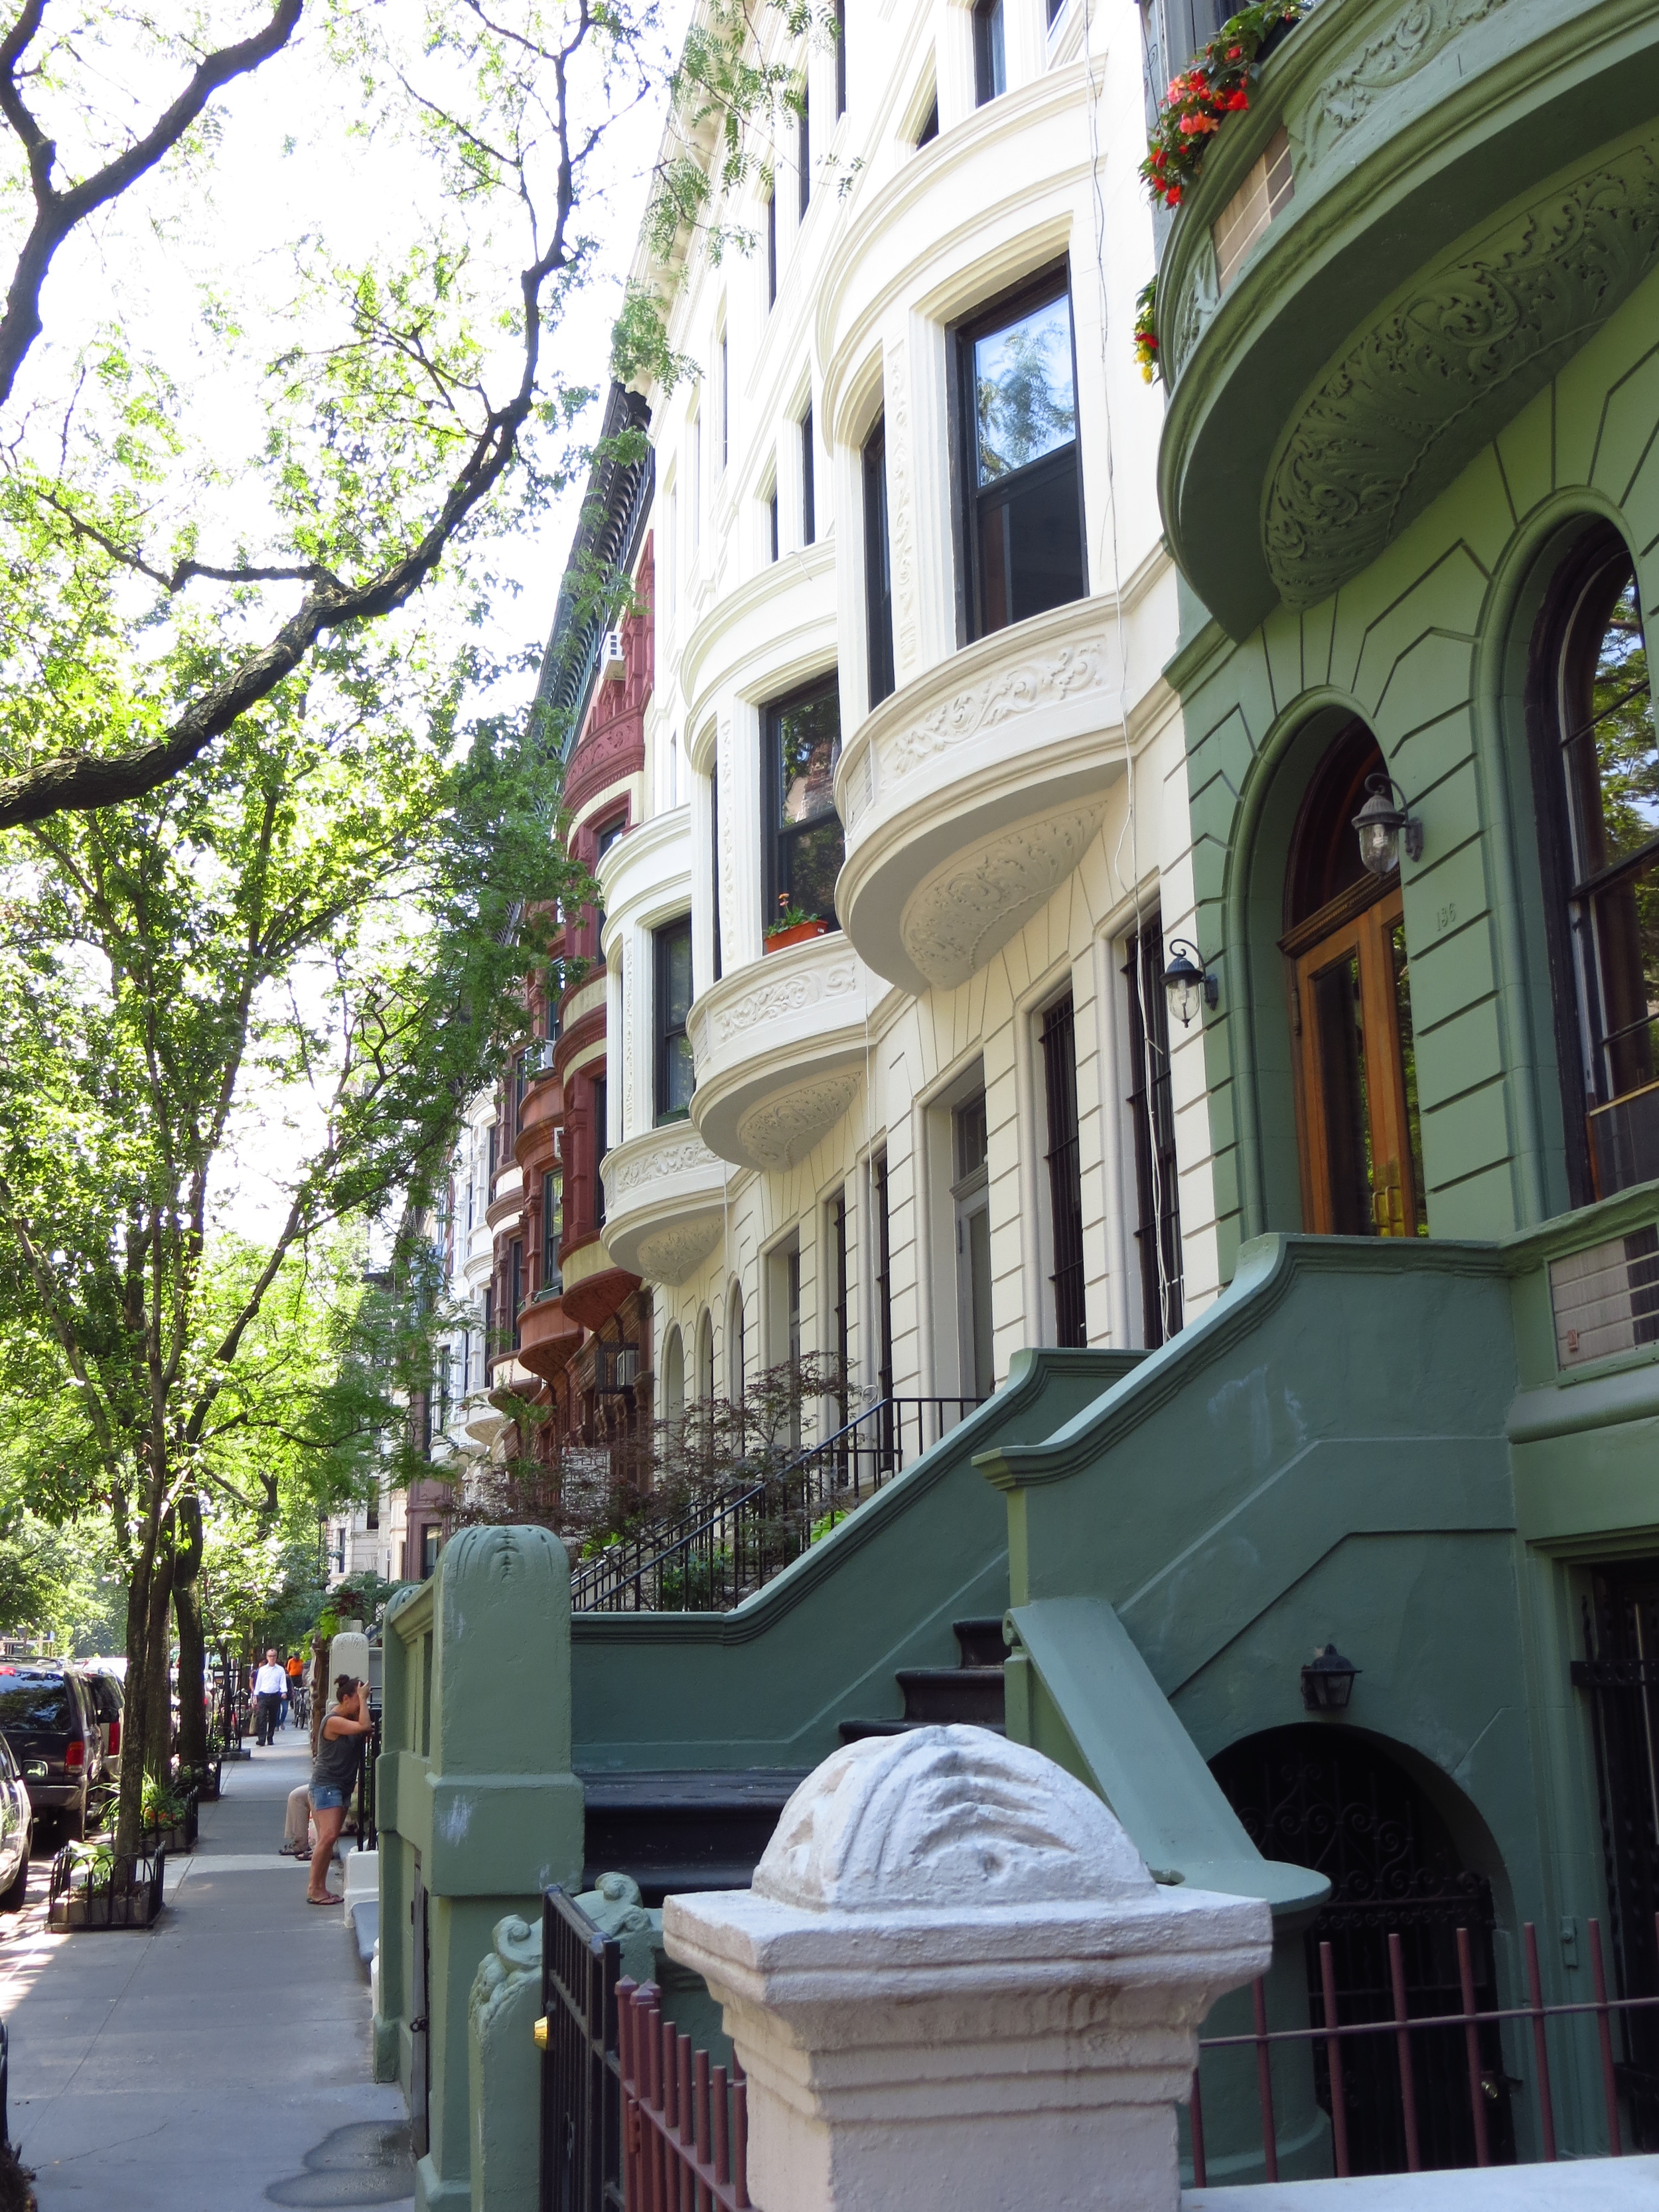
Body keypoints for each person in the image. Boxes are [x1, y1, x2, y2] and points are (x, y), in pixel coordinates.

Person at [307, 1676, 373, 1905]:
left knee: (330, 1839)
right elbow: (365, 1726)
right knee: (328, 1837)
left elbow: (364, 1729)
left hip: (341, 1786)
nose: (363, 1702)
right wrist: (364, 1702)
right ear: (346, 1698)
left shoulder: (349, 1720)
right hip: (327, 1786)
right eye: (360, 1698)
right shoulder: (332, 1720)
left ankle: (320, 1888)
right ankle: (314, 1889)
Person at [252, 1648, 286, 1745]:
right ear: (267, 1657)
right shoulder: (262, 1670)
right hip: (263, 1695)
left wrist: (283, 1692)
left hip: (275, 1695)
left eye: (274, 1656)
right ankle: (261, 1739)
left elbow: (283, 1682)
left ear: (276, 1657)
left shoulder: (280, 1670)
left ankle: (270, 1738)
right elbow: (258, 1683)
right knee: (262, 1717)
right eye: (270, 1656)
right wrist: (256, 1695)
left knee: (273, 1718)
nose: (272, 1658)